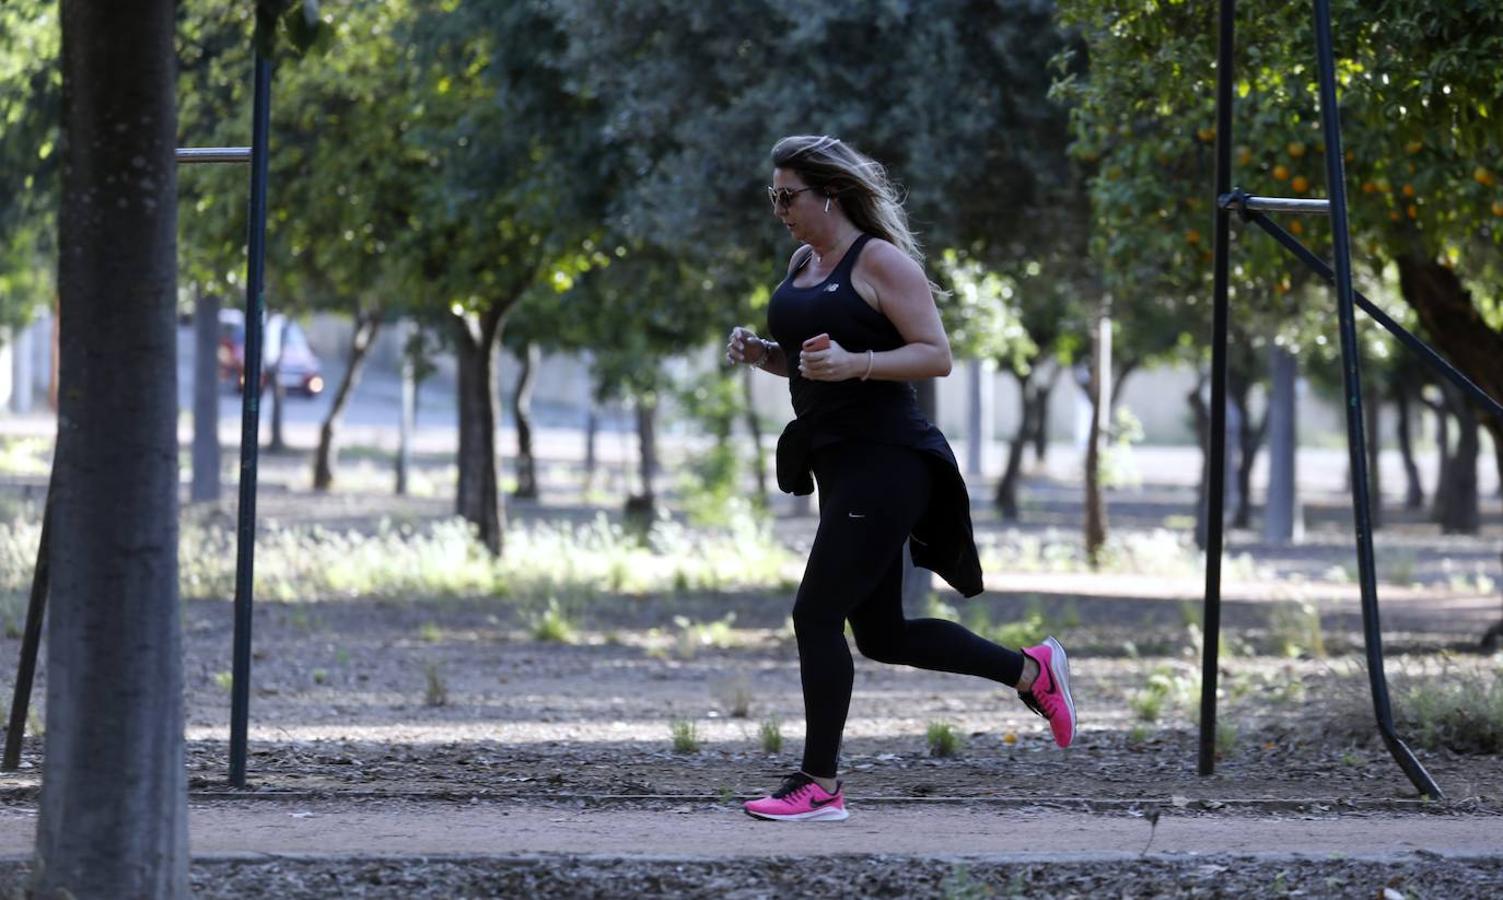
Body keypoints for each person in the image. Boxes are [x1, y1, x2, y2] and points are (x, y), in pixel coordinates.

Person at [725, 135, 1076, 823]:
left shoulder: (879, 261)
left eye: (787, 196)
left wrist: (856, 364)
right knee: (881, 635)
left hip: (888, 461)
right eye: (772, 197)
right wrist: (765, 355)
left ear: (828, 193)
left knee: (815, 615)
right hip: (841, 463)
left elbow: (935, 355)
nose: (779, 210)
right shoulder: (804, 261)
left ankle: (818, 783)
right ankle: (1032, 670)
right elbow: (809, 364)